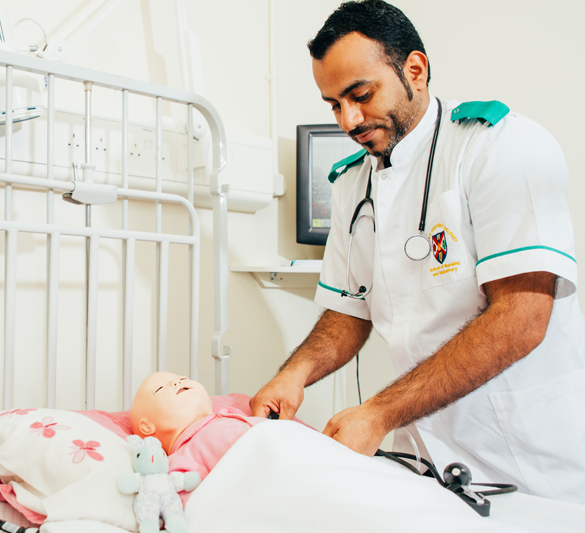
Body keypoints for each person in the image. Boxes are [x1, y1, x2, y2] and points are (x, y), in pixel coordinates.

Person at [250, 0, 585, 505]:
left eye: (360, 95)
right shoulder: (351, 184)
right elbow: (347, 310)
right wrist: (291, 375)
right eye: (333, 104)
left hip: (528, 456)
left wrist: (379, 413)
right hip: (425, 454)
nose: (349, 120)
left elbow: (522, 317)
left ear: (415, 69)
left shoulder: (498, 146)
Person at [130, 371, 267, 505]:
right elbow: (180, 501)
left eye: (183, 378)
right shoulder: (182, 457)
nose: (177, 382)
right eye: (159, 389)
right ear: (147, 427)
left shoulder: (236, 416)